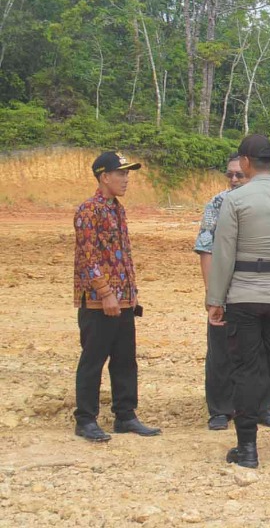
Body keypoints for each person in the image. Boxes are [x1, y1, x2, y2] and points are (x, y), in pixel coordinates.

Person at [207, 134, 270, 468]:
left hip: (243, 296)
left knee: (246, 371)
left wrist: (215, 299)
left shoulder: (235, 201)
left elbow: (223, 253)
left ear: (247, 162)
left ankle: (248, 450)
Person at [72, 151, 162, 442]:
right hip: (99, 302)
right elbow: (89, 257)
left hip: (122, 300)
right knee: (93, 359)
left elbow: (122, 255)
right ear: (104, 177)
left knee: (125, 360)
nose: (126, 179)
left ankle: (125, 415)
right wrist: (106, 292)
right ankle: (85, 419)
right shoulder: (88, 210)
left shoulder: (117, 209)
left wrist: (130, 293)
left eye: (127, 173)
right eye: (121, 173)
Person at [195, 154, 270, 430]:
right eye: (229, 175)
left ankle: (264, 407)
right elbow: (205, 248)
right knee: (220, 350)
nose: (233, 180)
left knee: (262, 350)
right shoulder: (217, 204)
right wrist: (213, 295)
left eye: (238, 175)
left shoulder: (268, 202)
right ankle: (220, 409)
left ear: (250, 174)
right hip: (228, 291)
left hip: (259, 289)